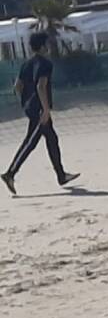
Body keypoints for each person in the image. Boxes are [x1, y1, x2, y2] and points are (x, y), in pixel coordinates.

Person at [2, 32, 79, 196]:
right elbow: (41, 86)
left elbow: (17, 86)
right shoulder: (45, 64)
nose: (48, 46)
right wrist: (45, 109)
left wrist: (25, 101)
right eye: (47, 43)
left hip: (31, 107)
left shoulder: (26, 64)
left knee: (52, 139)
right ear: (43, 45)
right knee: (30, 142)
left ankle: (61, 175)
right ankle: (10, 173)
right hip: (39, 109)